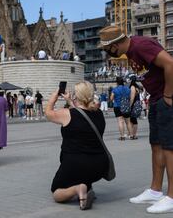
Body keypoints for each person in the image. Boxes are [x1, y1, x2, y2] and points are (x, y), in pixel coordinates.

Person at [99, 25, 173, 213]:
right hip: (157, 99)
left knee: (170, 148)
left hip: (166, 99)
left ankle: (172, 196)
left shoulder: (141, 46)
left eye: (107, 49)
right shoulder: (132, 51)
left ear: (114, 45)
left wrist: (169, 96)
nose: (107, 54)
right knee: (156, 145)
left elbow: (170, 64)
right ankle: (156, 190)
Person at [45, 81, 108, 211]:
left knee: (56, 193)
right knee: (85, 173)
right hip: (99, 165)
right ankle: (87, 185)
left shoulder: (67, 114)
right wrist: (69, 101)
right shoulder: (99, 114)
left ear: (76, 96)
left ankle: (78, 189)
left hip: (75, 164)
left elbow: (48, 113)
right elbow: (81, 114)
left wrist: (53, 98)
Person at [110, 77, 132, 141]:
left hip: (117, 106)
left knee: (120, 121)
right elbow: (130, 97)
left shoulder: (115, 89)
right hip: (126, 106)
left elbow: (111, 98)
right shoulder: (127, 88)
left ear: (117, 82)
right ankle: (131, 135)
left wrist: (115, 99)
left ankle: (122, 136)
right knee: (128, 122)